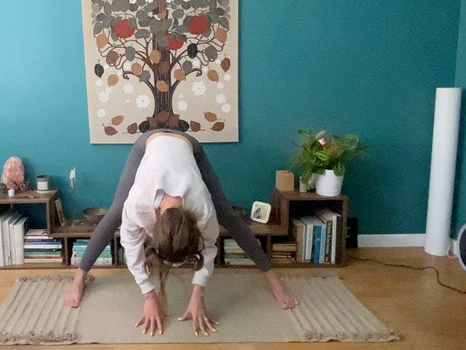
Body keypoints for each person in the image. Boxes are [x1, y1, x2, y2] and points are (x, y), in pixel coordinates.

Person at [63, 129, 296, 337]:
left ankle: (274, 281)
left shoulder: (201, 208)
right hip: (148, 143)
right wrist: (149, 295)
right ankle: (79, 277)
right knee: (114, 212)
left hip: (188, 145)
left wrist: (198, 295)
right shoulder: (137, 205)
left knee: (227, 214)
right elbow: (132, 249)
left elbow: (210, 246)